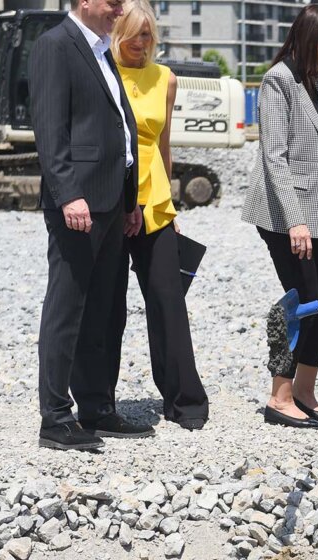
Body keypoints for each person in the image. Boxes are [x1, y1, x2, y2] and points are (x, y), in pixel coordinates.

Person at [31, 0, 154, 451]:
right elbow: (50, 130)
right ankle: (55, 418)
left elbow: (118, 127)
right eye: (113, 1)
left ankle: (97, 407)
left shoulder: (102, 49)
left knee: (105, 311)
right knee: (68, 310)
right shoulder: (55, 46)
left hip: (110, 202)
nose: (119, 9)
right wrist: (67, 194)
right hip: (78, 204)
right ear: (84, 0)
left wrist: (129, 202)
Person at [242, 4, 318, 429]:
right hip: (283, 216)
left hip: (314, 211)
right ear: (313, 39)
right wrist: (295, 222)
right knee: (305, 301)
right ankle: (279, 395)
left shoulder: (310, 81)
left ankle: (304, 389)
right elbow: (273, 156)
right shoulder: (279, 81)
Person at [111, 0, 209, 430]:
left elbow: (164, 144)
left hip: (154, 201)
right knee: (107, 305)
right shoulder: (102, 72)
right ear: (117, 33)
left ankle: (185, 399)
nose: (141, 43)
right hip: (110, 199)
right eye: (133, 34)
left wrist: (171, 203)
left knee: (168, 300)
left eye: (147, 34)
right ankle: (97, 401)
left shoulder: (165, 79)